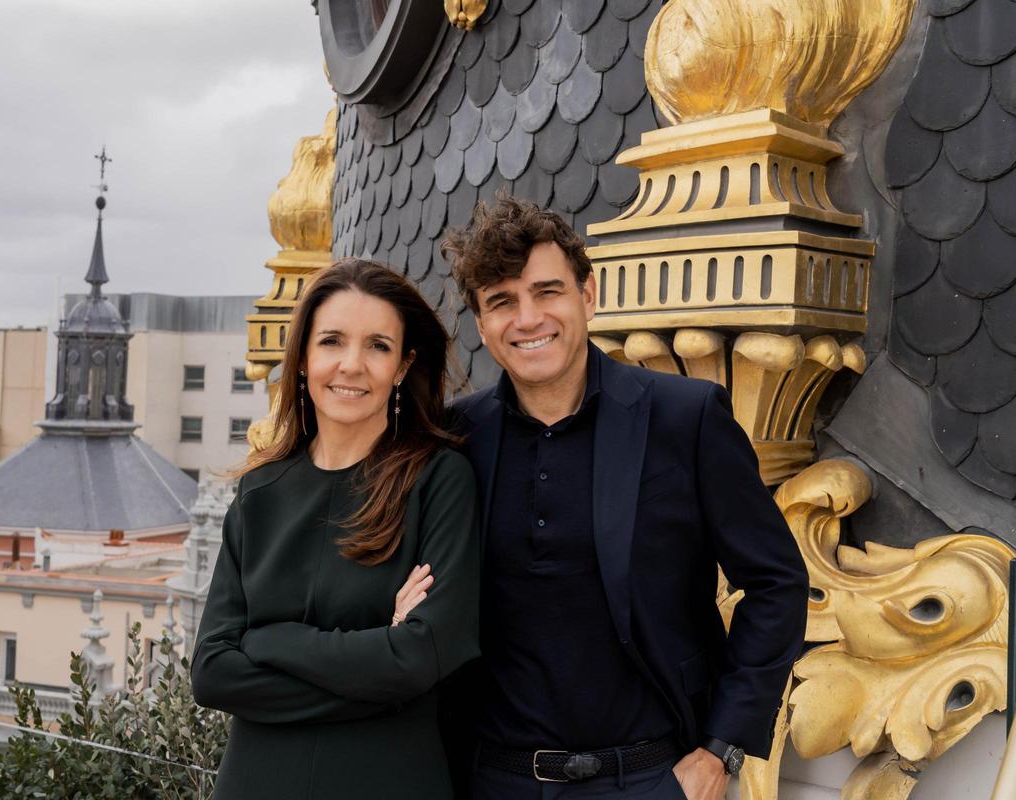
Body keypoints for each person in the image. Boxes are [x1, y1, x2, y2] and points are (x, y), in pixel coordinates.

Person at [438, 197, 809, 799]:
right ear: (482, 326)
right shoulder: (454, 440)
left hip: (650, 780)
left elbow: (776, 583)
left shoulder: (686, 419)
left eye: (547, 292)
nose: (527, 318)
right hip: (494, 782)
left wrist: (722, 750)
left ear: (588, 295)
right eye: (502, 301)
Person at [191, 258, 480, 800]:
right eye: (332, 342)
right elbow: (211, 673)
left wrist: (272, 639)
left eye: (377, 346)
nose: (352, 364)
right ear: (302, 358)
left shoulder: (439, 482)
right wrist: (383, 667)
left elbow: (423, 657)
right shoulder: (259, 494)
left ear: (402, 365)